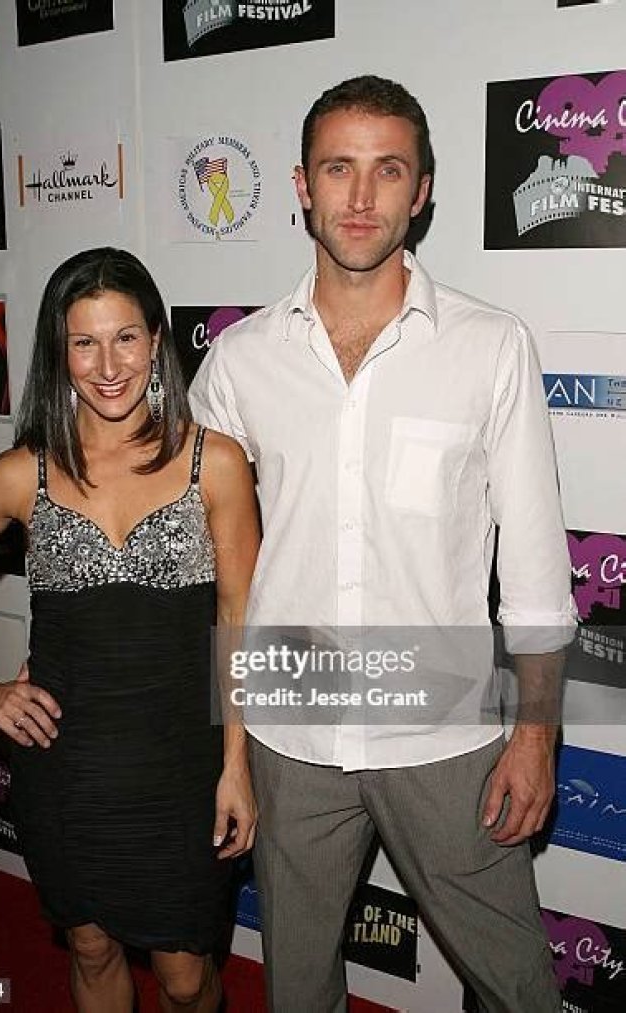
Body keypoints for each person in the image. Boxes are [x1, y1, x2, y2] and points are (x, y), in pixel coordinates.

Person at [189, 77, 576, 1012]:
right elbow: (197, 552)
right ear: (301, 185)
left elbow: (533, 567)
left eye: (388, 170)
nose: (361, 197)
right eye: (338, 169)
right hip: (290, 732)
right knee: (297, 989)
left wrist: (536, 736)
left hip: (444, 730)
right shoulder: (240, 359)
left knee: (519, 987)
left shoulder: (490, 345)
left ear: (423, 190)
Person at [0, 248, 260, 1013]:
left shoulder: (216, 464)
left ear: (156, 339)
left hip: (182, 765)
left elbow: (238, 622)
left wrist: (237, 765)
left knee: (186, 976)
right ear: (58, 352)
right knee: (92, 947)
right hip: (65, 767)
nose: (107, 365)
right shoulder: (22, 473)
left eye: (125, 337)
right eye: (84, 342)